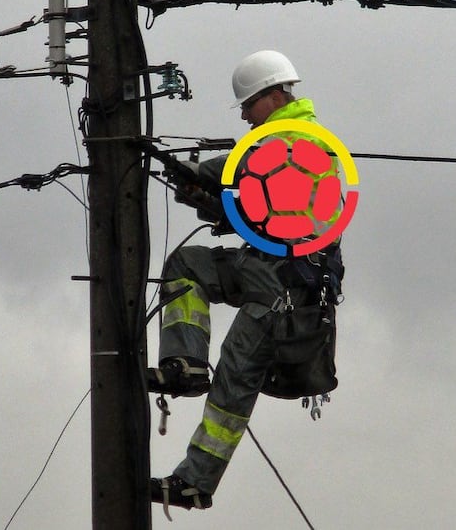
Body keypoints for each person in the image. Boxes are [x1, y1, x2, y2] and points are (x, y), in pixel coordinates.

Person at [148, 50, 345, 514]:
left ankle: (194, 483)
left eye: (248, 104)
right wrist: (208, 199)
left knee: (236, 377)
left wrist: (197, 173)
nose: (243, 114)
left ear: (274, 95)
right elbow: (262, 214)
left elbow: (240, 168)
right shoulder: (276, 145)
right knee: (188, 263)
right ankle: (185, 364)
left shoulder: (299, 138)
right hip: (266, 265)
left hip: (288, 289)